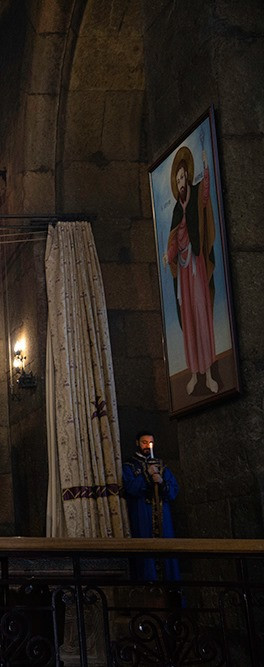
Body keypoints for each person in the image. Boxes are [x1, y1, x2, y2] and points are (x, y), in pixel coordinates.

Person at [163, 145, 218, 396]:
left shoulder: (195, 196)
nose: (181, 183)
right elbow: (175, 240)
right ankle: (195, 373)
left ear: (187, 176)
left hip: (196, 266)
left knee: (201, 314)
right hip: (184, 273)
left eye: (183, 177)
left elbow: (205, 196)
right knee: (188, 318)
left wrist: (206, 167)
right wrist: (169, 254)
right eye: (177, 180)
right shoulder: (177, 209)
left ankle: (209, 373)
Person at [123, 431, 180, 581]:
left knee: (166, 550)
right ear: (137, 443)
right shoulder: (130, 465)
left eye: (150, 443)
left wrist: (161, 482)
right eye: (144, 442)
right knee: (146, 550)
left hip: (162, 514)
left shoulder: (161, 465)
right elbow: (130, 488)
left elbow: (173, 490)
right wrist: (146, 475)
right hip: (142, 513)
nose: (147, 446)